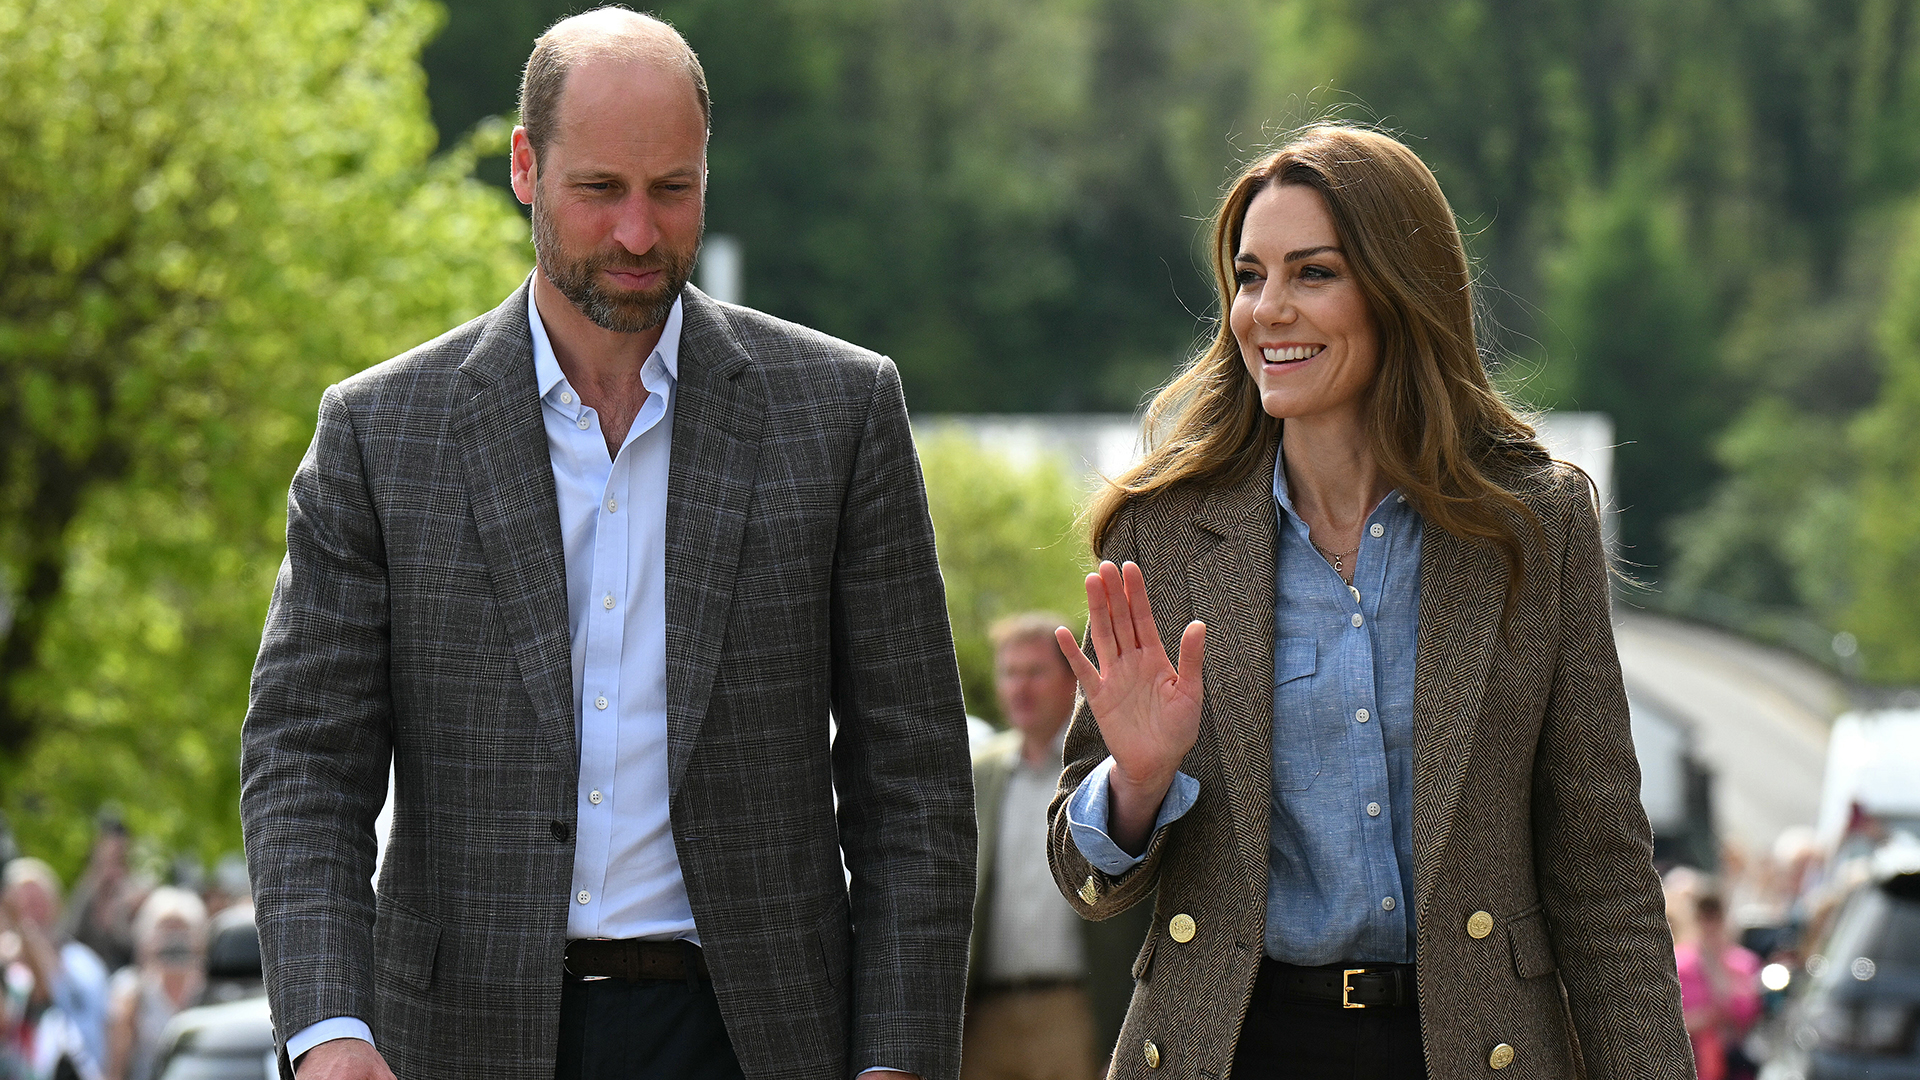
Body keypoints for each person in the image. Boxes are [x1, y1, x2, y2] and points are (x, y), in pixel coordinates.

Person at [238, 9, 974, 1080]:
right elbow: (304, 762)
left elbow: (912, 780)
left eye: (672, 190)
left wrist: (900, 1057)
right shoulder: (380, 433)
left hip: (761, 1038)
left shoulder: (840, 411)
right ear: (526, 169)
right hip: (455, 1041)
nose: (639, 232)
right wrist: (327, 1032)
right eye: (602, 191)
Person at [1044, 124, 1695, 1079]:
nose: (1268, 310)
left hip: (1475, 1052)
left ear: (1400, 290)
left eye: (1313, 273)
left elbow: (1603, 876)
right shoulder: (1163, 534)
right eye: (1249, 275)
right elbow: (1084, 880)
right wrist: (1136, 785)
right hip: (1234, 1050)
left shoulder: (1533, 525)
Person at [964, 615, 1149, 1080]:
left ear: (1072, 680)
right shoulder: (978, 773)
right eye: (1010, 673)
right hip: (983, 1016)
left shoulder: (1107, 773)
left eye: (1035, 672)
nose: (1019, 688)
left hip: (1075, 1011)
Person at [0, 858, 110, 1080]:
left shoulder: (84, 962)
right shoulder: (7, 961)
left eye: (38, 900)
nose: (31, 910)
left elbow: (105, 1023)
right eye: (22, 902)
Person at [104, 887, 207, 1080]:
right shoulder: (131, 990)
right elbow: (116, 1066)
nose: (174, 940)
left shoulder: (210, 990)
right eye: (166, 929)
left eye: (181, 929)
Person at [1674, 890, 1762, 1080]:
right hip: (1693, 1063)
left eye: (1715, 916)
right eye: (1703, 917)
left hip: (1736, 1065)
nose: (1709, 925)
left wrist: (1717, 968)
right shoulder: (1678, 965)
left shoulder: (1744, 963)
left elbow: (1750, 1014)